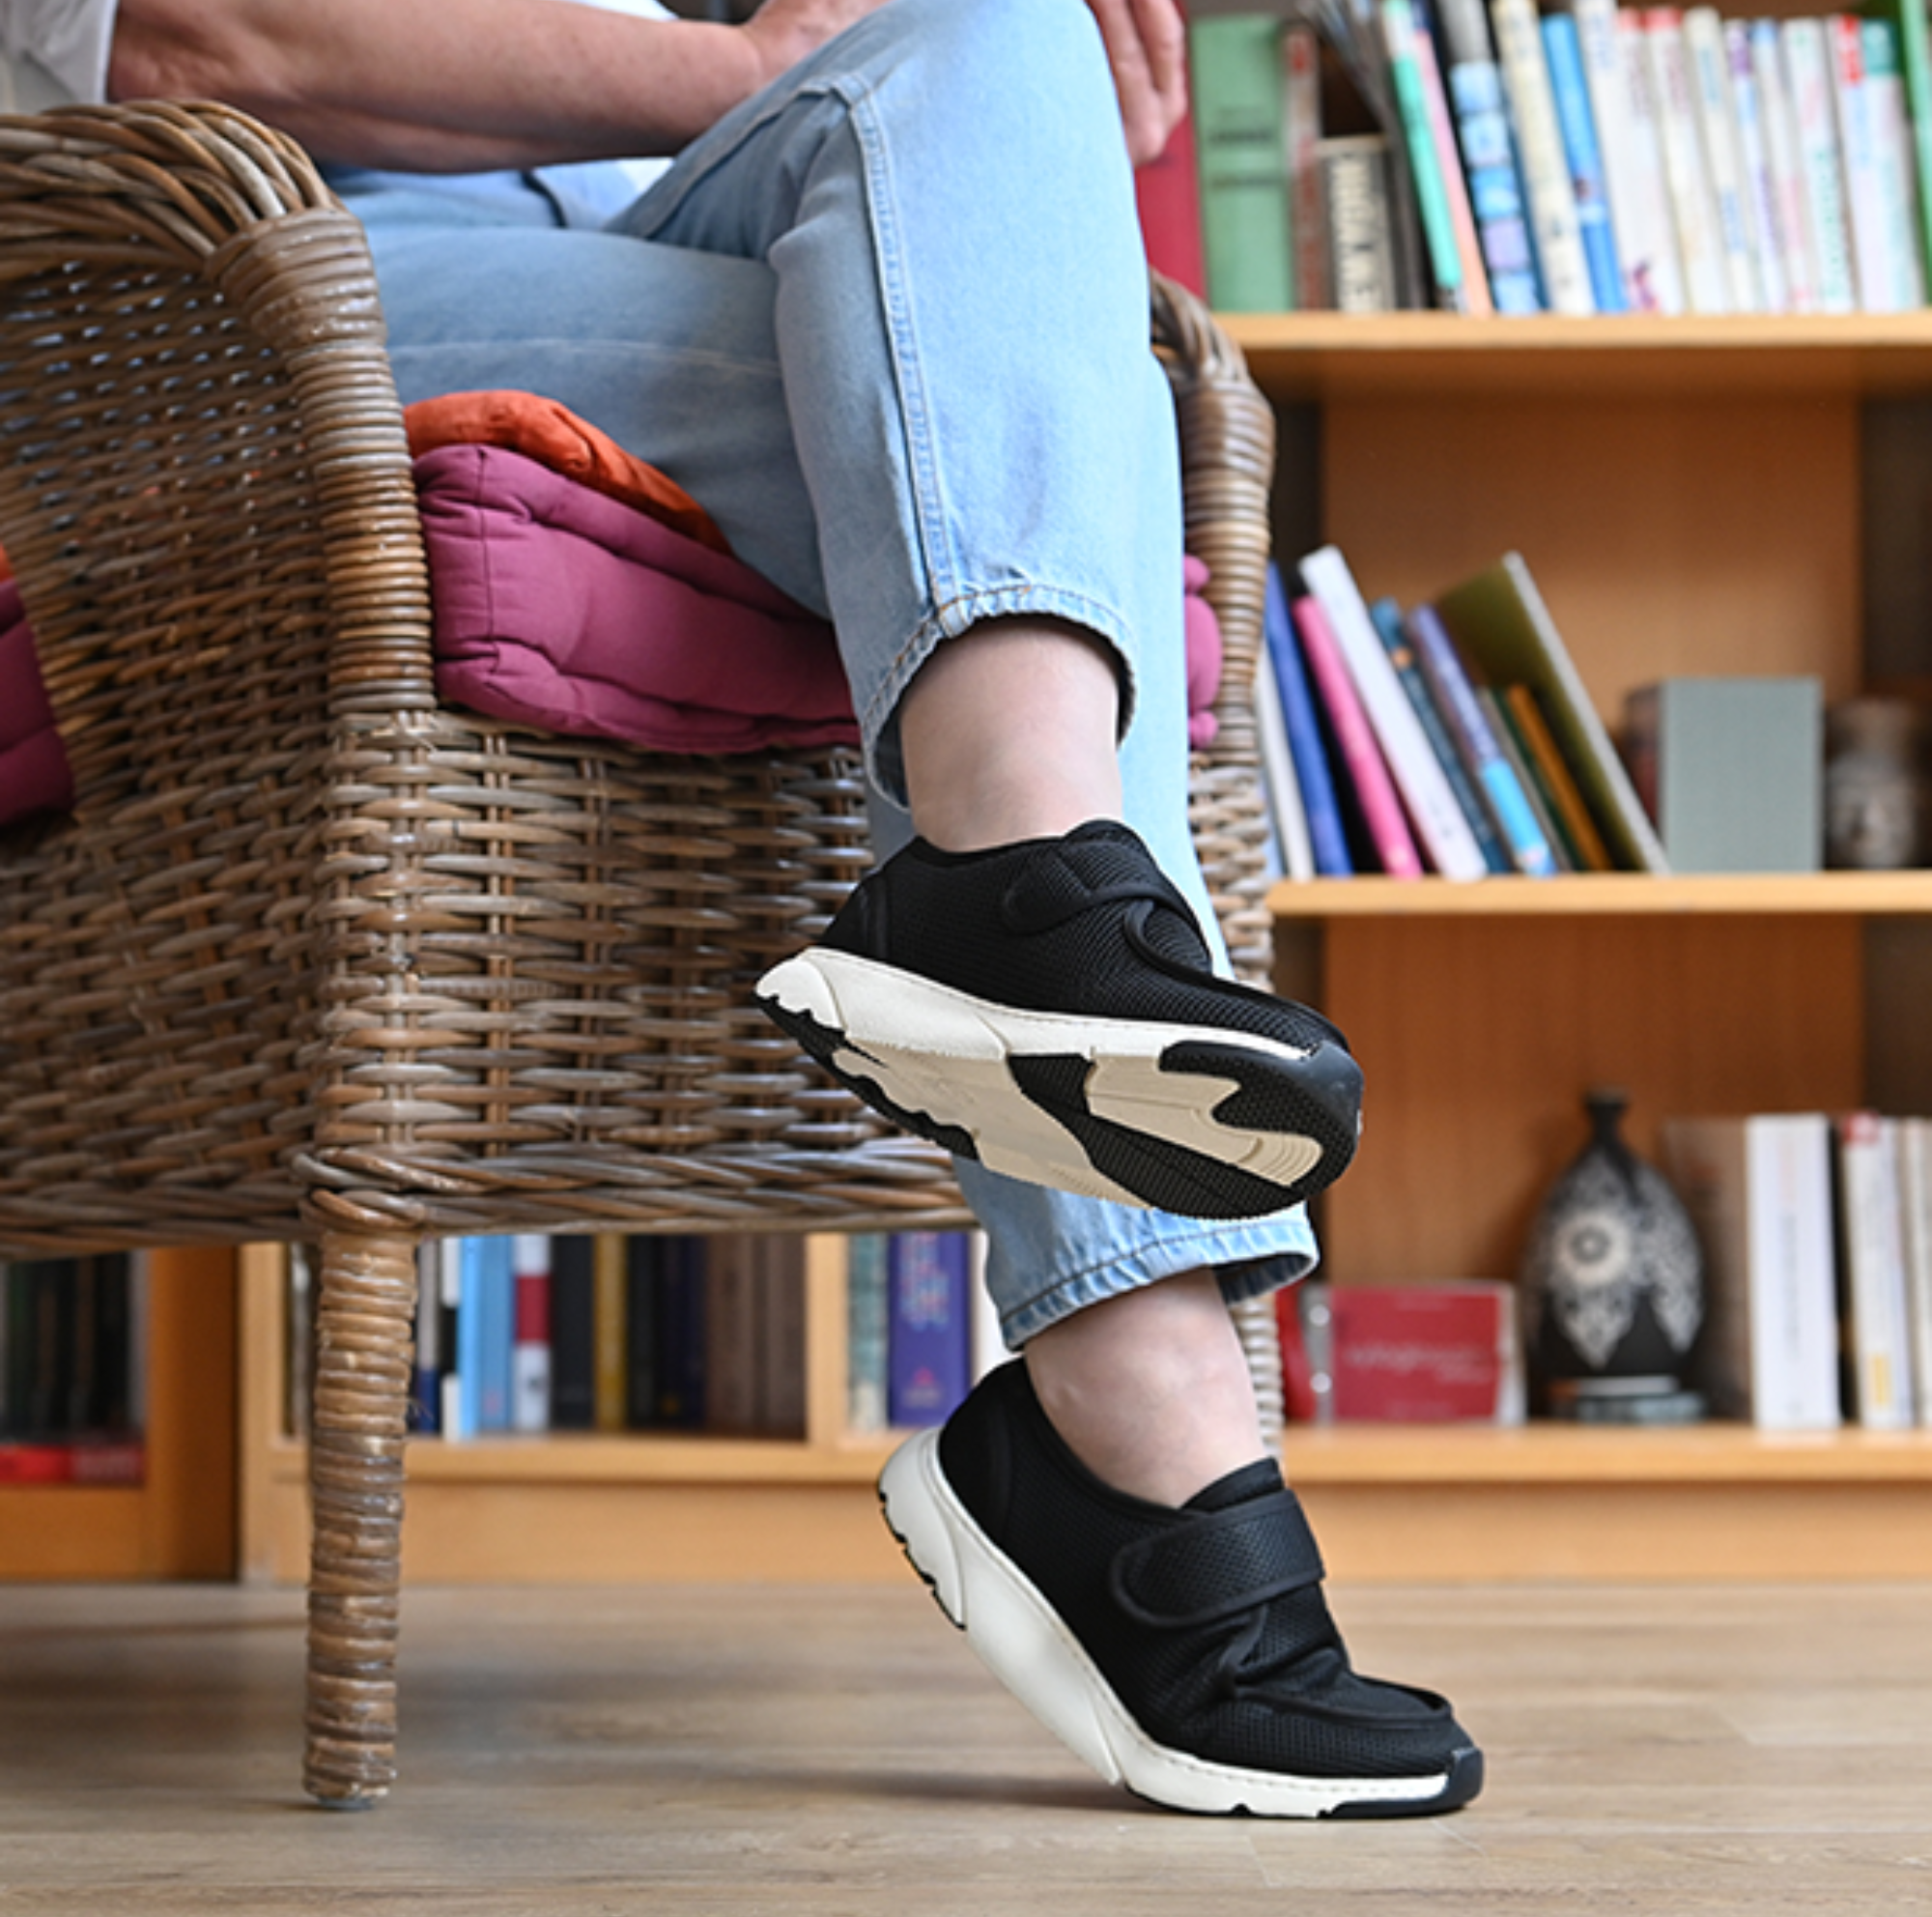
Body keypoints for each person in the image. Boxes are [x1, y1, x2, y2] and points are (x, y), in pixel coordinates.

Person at [2, 0, 1480, 1817]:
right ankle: (1141, 1405)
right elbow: (194, 39)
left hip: (663, 215)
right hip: (244, 282)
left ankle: (1021, 916)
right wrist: (760, 68)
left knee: (1004, 50)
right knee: (1024, 417)